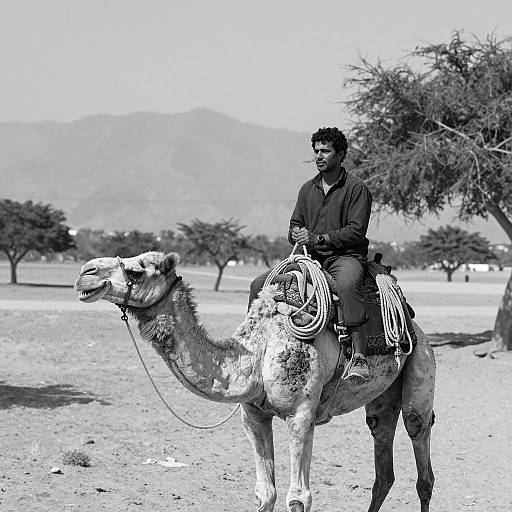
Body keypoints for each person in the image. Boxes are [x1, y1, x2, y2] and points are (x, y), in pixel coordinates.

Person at [248, 127, 372, 381]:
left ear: (341, 155)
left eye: (325, 151)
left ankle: (359, 356)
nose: (319, 156)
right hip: (310, 259)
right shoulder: (307, 189)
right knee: (260, 284)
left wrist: (316, 238)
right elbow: (295, 224)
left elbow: (356, 231)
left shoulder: (357, 189)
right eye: (316, 151)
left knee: (347, 285)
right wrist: (296, 234)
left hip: (345, 257)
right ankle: (251, 344)